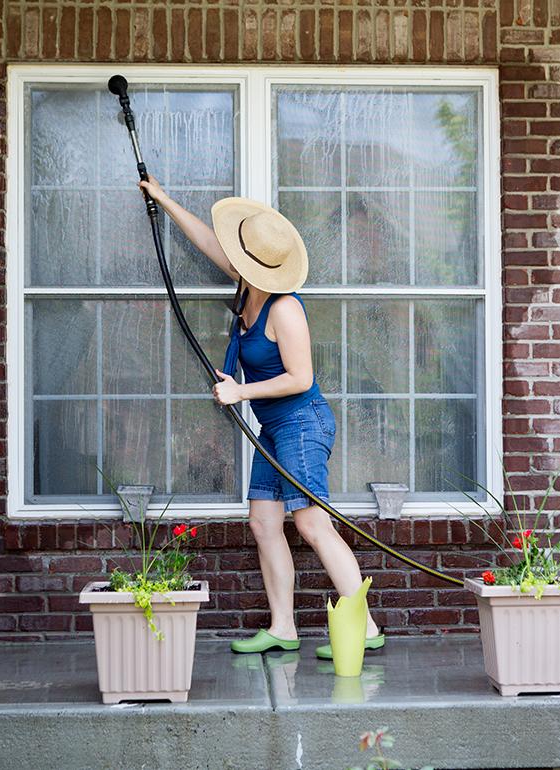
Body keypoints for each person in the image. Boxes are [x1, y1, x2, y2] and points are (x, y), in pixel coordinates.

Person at [139, 176, 383, 659]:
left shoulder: (284, 308)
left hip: (302, 421)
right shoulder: (247, 285)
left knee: (312, 524)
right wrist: (163, 199)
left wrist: (239, 390)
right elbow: (206, 241)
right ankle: (283, 627)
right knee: (264, 523)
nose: (229, 255)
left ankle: (367, 627)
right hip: (275, 427)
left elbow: (300, 377)